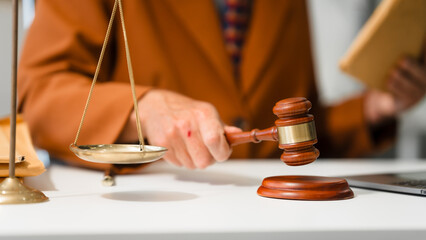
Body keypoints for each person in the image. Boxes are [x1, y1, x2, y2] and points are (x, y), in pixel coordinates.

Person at [18, 0, 426, 173]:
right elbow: (37, 94)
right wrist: (141, 110)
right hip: (153, 213)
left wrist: (374, 106)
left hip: (273, 218)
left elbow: (291, 126)